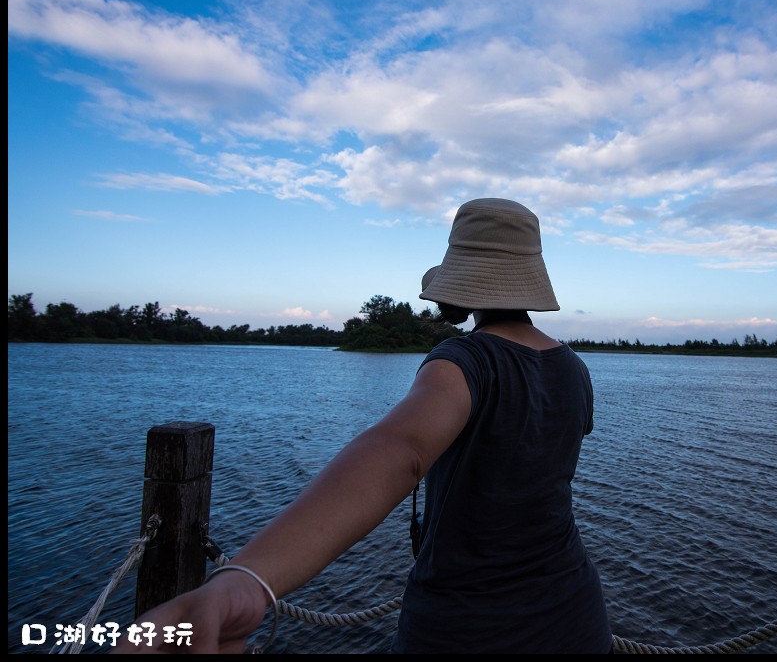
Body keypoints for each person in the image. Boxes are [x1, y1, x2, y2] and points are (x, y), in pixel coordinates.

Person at [118, 198, 612, 654]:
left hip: (468, 628)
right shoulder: (573, 368)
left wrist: (247, 578)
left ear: (462, 280)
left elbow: (401, 450)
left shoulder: (463, 359)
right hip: (578, 615)